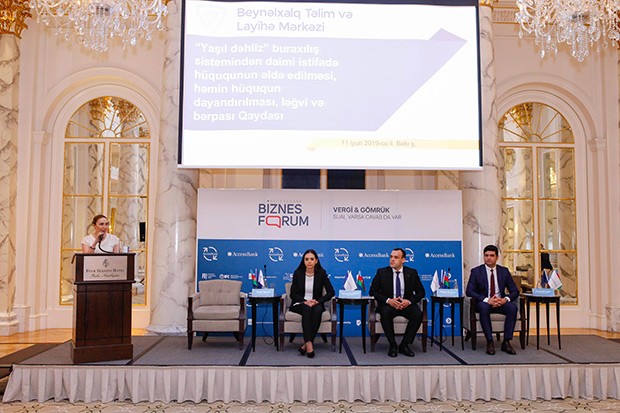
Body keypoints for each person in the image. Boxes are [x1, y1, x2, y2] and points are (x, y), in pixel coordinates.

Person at [369, 248, 425, 357]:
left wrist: (408, 301)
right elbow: (373, 291)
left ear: (403, 260)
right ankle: (392, 344)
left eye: (396, 257)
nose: (392, 259)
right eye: (391, 257)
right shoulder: (381, 272)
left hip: (406, 304)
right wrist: (389, 300)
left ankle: (404, 344)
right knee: (385, 313)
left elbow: (421, 292)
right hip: (389, 304)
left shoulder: (412, 273)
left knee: (418, 314)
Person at [466, 244, 519, 355]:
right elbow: (469, 291)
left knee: (512, 308)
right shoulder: (476, 271)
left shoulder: (504, 271)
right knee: (484, 307)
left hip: (500, 302)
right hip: (484, 303)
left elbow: (515, 291)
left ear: (497, 257)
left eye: (491, 255)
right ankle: (489, 341)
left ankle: (506, 341)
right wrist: (487, 300)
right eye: (486, 255)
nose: (488, 258)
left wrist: (505, 299)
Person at [289, 249, 335, 358]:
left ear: (316, 261)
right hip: (300, 303)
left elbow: (331, 292)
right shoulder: (298, 273)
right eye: (306, 259)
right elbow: (292, 294)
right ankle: (309, 344)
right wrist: (305, 301)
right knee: (307, 308)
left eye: (311, 259)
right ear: (303, 261)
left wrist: (318, 301)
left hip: (316, 303)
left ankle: (305, 344)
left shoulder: (321, 273)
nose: (309, 261)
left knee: (317, 310)